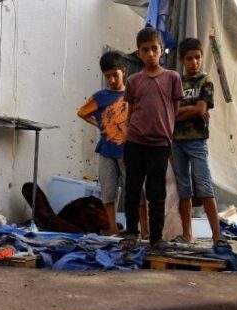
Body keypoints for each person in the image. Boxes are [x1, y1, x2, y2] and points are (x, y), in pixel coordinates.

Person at [121, 27, 183, 248]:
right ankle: (130, 232)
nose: (150, 54)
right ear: (139, 53)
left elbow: (174, 110)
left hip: (160, 144)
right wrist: (130, 132)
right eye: (145, 50)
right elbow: (130, 111)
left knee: (157, 192)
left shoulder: (172, 78)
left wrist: (168, 137)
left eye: (154, 48)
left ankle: (156, 237)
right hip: (135, 142)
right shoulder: (133, 81)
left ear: (161, 50)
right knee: (132, 189)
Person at [171, 38, 222, 243]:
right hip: (176, 141)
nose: (194, 62)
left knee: (204, 185)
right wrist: (189, 111)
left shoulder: (205, 81)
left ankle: (217, 235)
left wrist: (181, 112)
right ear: (182, 59)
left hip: (197, 140)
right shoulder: (177, 82)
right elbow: (170, 112)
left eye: (197, 57)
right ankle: (187, 234)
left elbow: (201, 109)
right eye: (189, 58)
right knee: (184, 189)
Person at [77, 52, 130, 235]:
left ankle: (138, 228)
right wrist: (100, 124)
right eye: (108, 76)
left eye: (115, 74)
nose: (112, 79)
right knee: (109, 191)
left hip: (128, 150)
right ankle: (113, 228)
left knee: (135, 191)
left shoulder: (132, 93)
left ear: (124, 71)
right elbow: (82, 112)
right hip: (107, 149)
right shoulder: (100, 96)